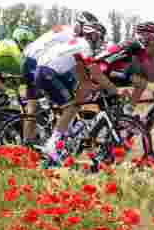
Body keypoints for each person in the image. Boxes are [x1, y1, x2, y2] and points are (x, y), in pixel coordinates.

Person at [36, 21, 118, 163]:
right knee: (71, 107)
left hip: (48, 71)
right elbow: (96, 73)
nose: (100, 41)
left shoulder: (77, 46)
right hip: (47, 72)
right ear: (92, 36)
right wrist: (113, 90)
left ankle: (64, 135)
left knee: (75, 103)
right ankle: (52, 145)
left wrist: (97, 87)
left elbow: (84, 80)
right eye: (99, 37)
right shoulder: (84, 45)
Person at [95, 22, 154, 111]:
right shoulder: (137, 45)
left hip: (102, 69)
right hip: (103, 71)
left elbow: (150, 72)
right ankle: (128, 111)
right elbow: (151, 73)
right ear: (147, 35)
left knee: (126, 93)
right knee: (141, 83)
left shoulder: (132, 43)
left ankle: (123, 111)